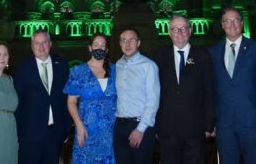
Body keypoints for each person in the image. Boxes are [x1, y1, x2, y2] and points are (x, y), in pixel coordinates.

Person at [208, 7, 256, 164]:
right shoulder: (212, 52)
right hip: (224, 124)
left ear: (242, 23)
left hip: (252, 121)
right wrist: (210, 122)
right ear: (222, 25)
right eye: (227, 21)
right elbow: (210, 90)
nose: (232, 24)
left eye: (236, 20)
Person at [155, 15, 215, 164]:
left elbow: (209, 92)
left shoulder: (203, 56)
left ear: (190, 31)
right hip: (167, 128)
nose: (179, 33)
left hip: (195, 128)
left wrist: (209, 125)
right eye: (174, 29)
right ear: (169, 33)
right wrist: (155, 125)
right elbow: (153, 94)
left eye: (183, 29)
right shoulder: (160, 57)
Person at [14, 30, 72, 164]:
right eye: (36, 43)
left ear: (50, 44)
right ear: (32, 46)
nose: (41, 47)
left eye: (44, 42)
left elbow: (67, 99)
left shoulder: (62, 66)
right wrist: (17, 134)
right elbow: (18, 103)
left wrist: (66, 129)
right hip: (29, 135)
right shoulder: (23, 69)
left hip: (55, 133)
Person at [64, 33, 117, 164]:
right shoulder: (78, 71)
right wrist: (79, 124)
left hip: (111, 132)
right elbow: (71, 102)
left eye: (103, 45)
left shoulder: (116, 70)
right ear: (90, 48)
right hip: (86, 129)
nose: (100, 48)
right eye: (96, 45)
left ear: (107, 49)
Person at [114, 27, 160, 164]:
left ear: (138, 43)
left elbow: (153, 101)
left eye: (132, 40)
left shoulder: (149, 66)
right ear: (120, 44)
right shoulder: (118, 65)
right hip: (120, 126)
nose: (127, 44)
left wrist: (140, 129)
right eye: (124, 40)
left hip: (141, 126)